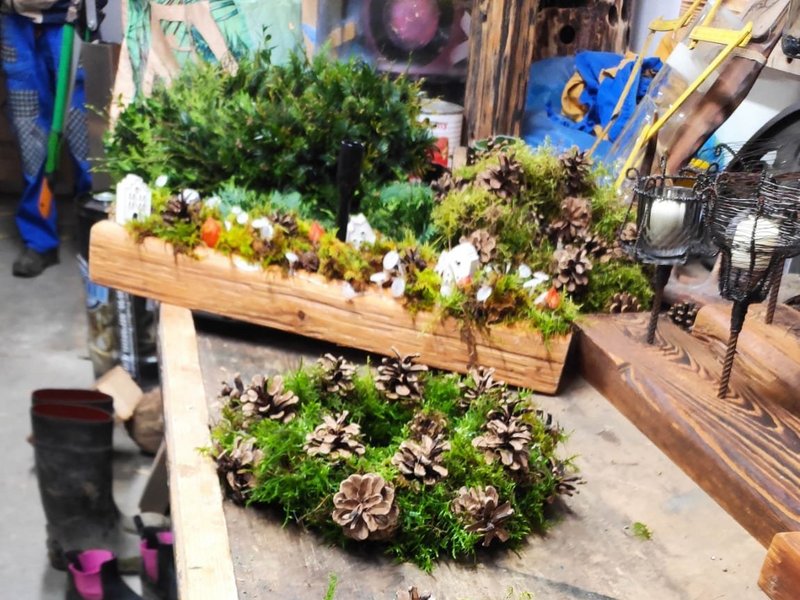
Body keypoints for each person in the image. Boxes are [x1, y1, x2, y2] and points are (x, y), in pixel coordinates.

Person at [0, 0, 102, 277]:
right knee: (30, 137)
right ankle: (39, 240)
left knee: (86, 137)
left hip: (68, 21)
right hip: (15, 22)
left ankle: (97, 233)